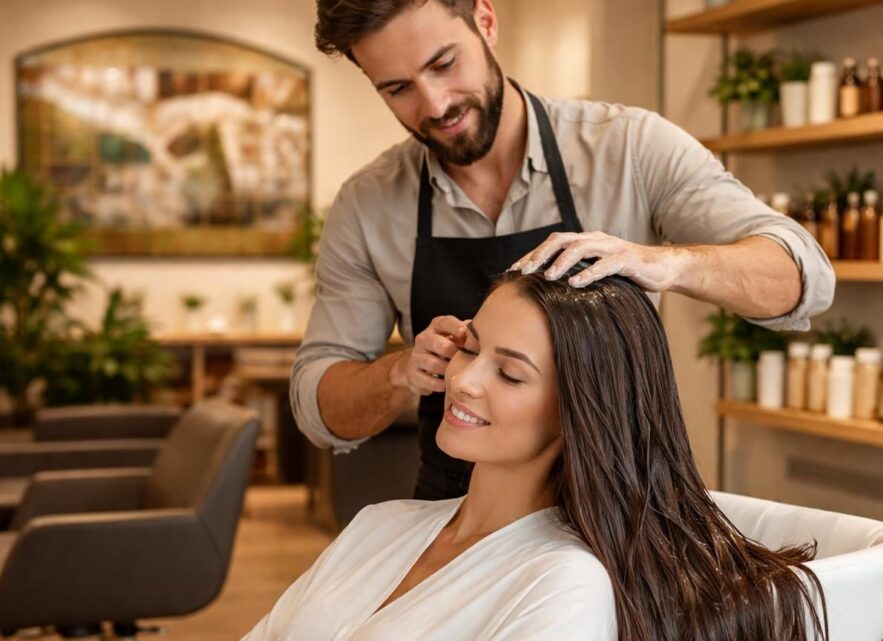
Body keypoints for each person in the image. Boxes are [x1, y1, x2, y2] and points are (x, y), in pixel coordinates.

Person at [292, 0, 835, 500]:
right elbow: (319, 407)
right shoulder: (367, 206)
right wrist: (400, 373)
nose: (435, 104)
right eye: (397, 88)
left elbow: (803, 275)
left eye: (444, 64)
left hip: (620, 513)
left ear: (485, 20)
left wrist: (661, 262)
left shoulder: (629, 148)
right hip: (457, 514)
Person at [249, 264, 825, 641]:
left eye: (510, 374)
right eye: (468, 348)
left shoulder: (561, 583)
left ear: (579, 410)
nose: (465, 380)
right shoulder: (381, 525)